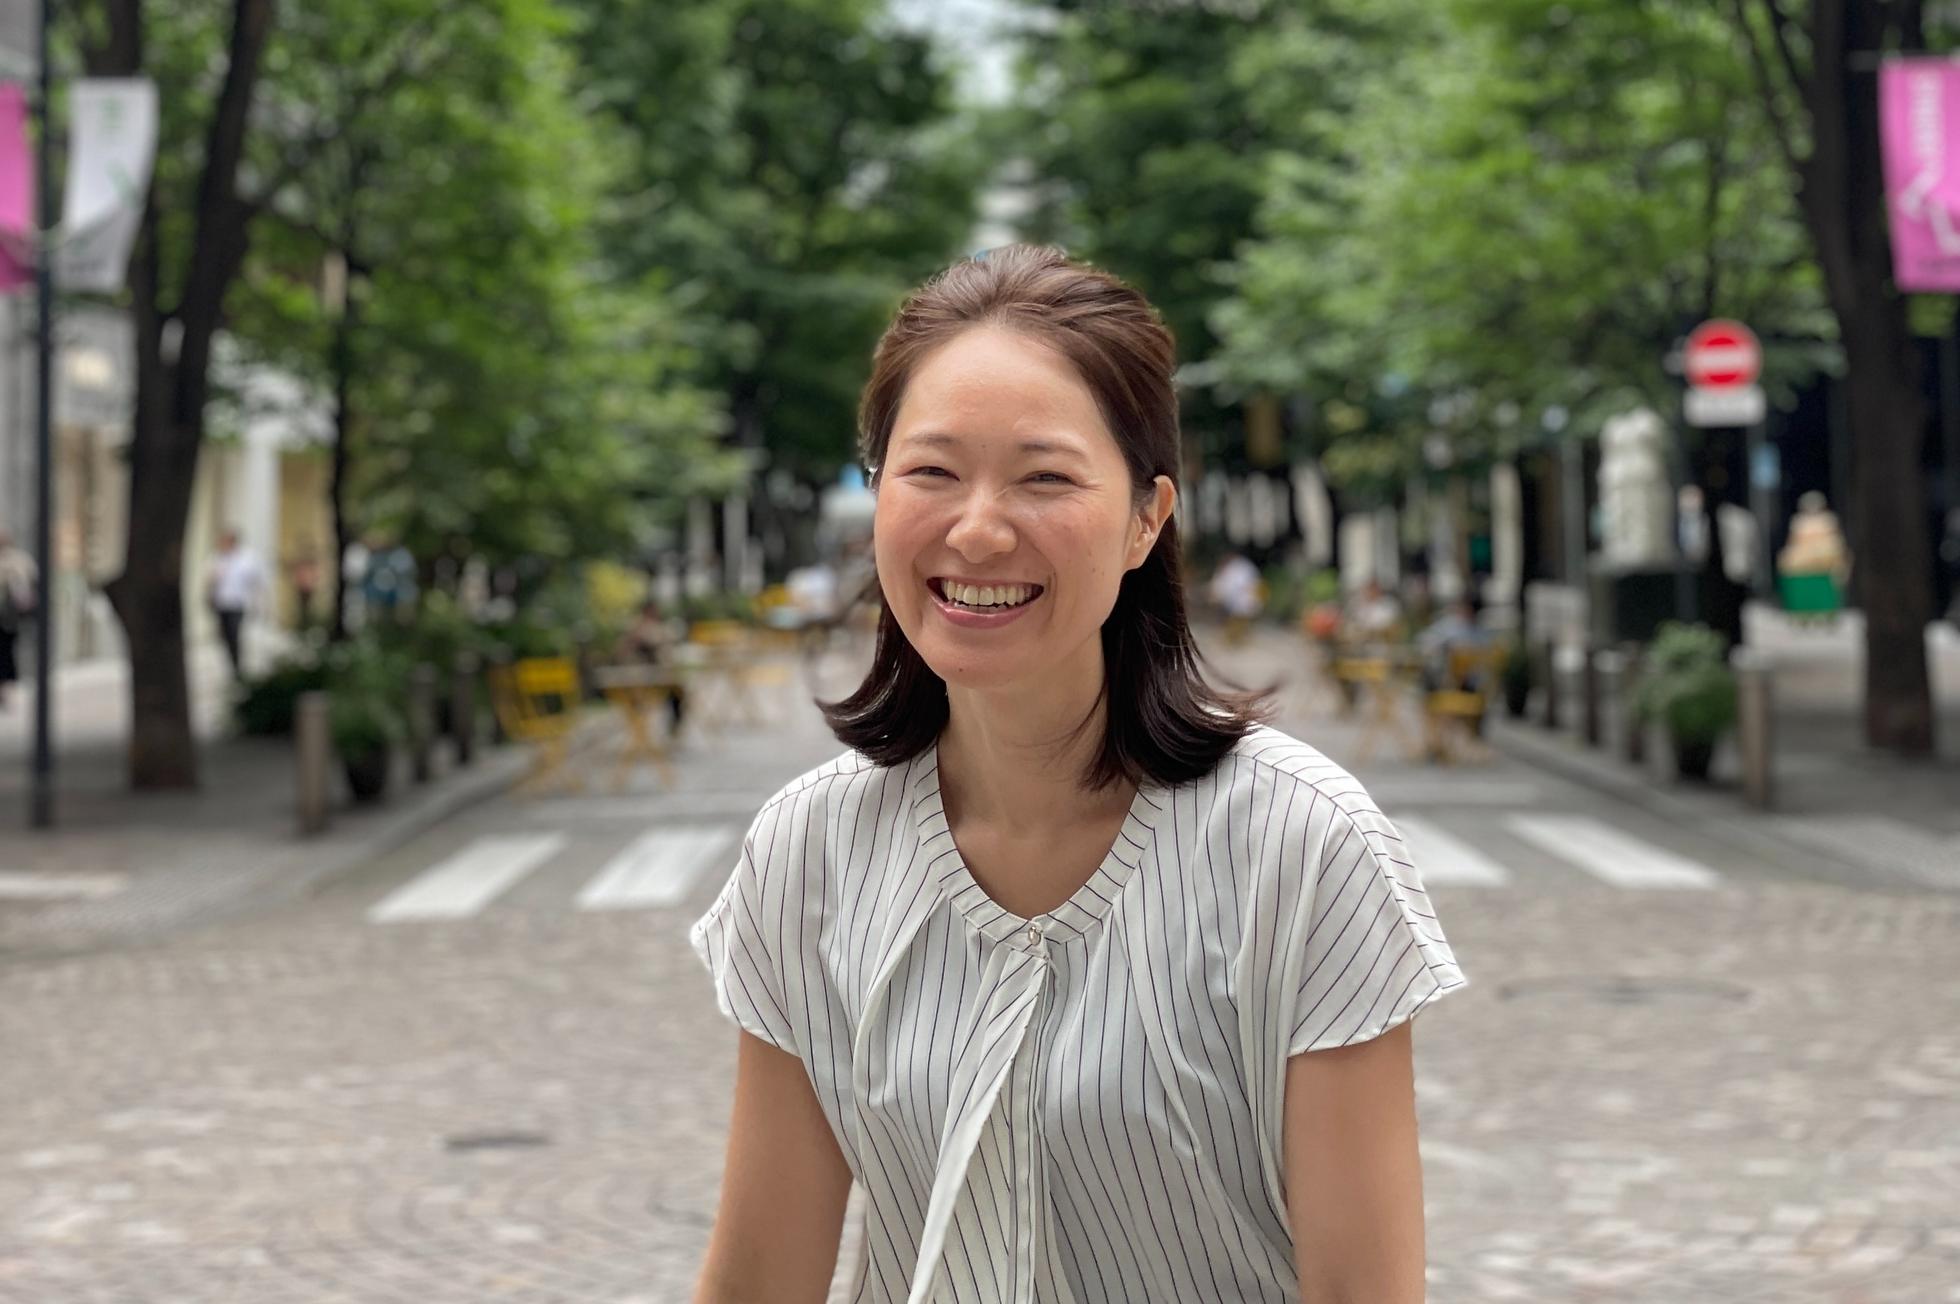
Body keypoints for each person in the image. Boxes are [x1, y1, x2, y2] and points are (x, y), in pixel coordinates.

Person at [687, 246, 1468, 1303]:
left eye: (1044, 477)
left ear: (1147, 518)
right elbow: (759, 1278)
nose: (977, 529)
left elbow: (1361, 1291)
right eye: (930, 472)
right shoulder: (808, 853)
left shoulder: (1300, 847)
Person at [616, 597, 687, 734]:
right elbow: (622, 653)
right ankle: (642, 730)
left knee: (677, 691)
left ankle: (673, 725)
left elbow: (666, 649)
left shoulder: (657, 628)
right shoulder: (635, 627)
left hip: (656, 677)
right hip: (637, 679)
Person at [205, 529, 265, 680]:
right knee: (225, 635)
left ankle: (237, 666)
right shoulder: (216, 558)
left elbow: (256, 580)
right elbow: (209, 580)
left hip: (238, 603)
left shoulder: (246, 559)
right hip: (221, 604)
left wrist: (258, 601)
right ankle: (232, 663)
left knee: (234, 633)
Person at [0, 528, 38, 710]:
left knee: (7, 652)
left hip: (8, 618)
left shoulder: (17, 560)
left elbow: (30, 583)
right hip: (9, 618)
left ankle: (6, 688)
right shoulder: (20, 560)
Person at [1344, 576, 1404, 643]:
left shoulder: (1388, 605)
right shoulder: (1357, 604)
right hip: (1361, 642)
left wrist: (1373, 632)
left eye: (1374, 588)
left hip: (1381, 643)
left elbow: (1395, 628)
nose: (1371, 591)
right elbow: (1351, 625)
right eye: (1370, 588)